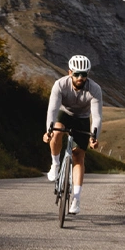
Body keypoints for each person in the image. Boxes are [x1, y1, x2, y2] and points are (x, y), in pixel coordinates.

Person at [43, 55, 102, 215]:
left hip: (82, 118)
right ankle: (55, 164)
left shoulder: (95, 89)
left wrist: (94, 137)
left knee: (78, 157)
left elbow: (96, 116)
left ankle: (76, 198)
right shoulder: (60, 85)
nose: (80, 78)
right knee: (56, 133)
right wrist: (48, 131)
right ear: (70, 72)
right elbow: (53, 110)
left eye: (84, 74)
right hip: (65, 114)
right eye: (76, 74)